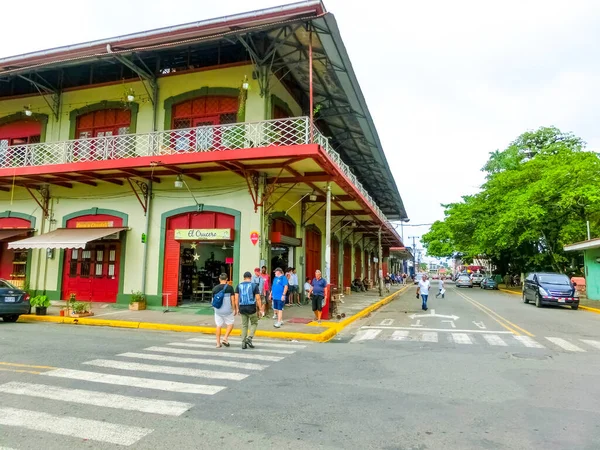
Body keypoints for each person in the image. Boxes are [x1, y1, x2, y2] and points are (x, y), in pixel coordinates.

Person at [236, 271, 262, 349]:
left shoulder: (239, 286)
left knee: (244, 325)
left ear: (244, 278)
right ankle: (249, 338)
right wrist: (260, 309)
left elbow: (236, 298)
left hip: (242, 307)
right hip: (251, 307)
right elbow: (258, 298)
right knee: (254, 323)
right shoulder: (254, 286)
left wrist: (237, 308)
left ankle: (243, 343)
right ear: (250, 278)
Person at [212, 273, 236, 348]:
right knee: (230, 324)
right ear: (226, 280)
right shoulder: (230, 288)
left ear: (219, 279)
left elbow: (213, 301)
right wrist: (234, 309)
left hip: (218, 310)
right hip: (227, 311)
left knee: (218, 326)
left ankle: (218, 344)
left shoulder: (215, 288)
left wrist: (215, 309)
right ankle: (225, 337)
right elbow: (232, 300)